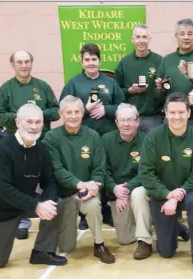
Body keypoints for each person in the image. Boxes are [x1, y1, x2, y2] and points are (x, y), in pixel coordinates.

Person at [0, 104, 67, 268]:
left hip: (24, 202)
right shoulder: (2, 150)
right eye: (29, 122)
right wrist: (36, 205)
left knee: (57, 204)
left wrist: (48, 202)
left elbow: (50, 181)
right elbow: (5, 190)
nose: (34, 127)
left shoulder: (41, 148)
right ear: (18, 122)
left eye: (38, 122)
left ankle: (43, 252)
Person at [103, 103, 189, 260]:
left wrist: (128, 188)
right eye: (122, 120)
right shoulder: (106, 140)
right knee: (125, 239)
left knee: (137, 194)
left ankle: (145, 242)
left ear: (138, 121)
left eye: (130, 119)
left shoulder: (148, 140)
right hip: (117, 193)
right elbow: (104, 170)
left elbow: (147, 172)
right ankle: (174, 227)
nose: (126, 124)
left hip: (142, 188)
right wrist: (115, 189)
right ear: (116, 122)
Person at [0, 50, 60, 240]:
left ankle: (48, 212)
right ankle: (22, 220)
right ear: (13, 65)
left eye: (27, 61)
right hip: (17, 144)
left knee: (48, 179)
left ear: (32, 63)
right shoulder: (5, 89)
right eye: (19, 62)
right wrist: (21, 117)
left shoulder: (42, 86)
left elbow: (55, 111)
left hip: (42, 140)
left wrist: (37, 115)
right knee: (20, 181)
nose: (24, 65)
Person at [139, 93, 193, 272]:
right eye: (173, 112)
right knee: (166, 251)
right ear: (166, 113)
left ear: (188, 113)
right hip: (163, 191)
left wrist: (177, 197)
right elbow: (146, 173)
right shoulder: (153, 137)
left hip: (189, 190)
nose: (177, 117)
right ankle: (177, 228)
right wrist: (167, 194)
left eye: (181, 112)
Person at [155, 18, 193, 227]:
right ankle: (175, 210)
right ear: (176, 36)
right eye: (182, 33)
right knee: (169, 164)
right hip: (171, 119)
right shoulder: (167, 60)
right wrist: (160, 87)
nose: (186, 37)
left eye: (190, 33)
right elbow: (161, 91)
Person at [43, 95, 115, 264]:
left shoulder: (93, 136)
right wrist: (80, 184)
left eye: (77, 111)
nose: (73, 116)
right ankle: (65, 233)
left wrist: (95, 185)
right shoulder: (51, 138)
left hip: (87, 193)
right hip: (65, 194)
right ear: (61, 114)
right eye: (69, 112)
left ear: (83, 113)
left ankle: (99, 245)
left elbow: (100, 167)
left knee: (94, 205)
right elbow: (57, 170)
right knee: (67, 247)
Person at [60, 43, 124, 229]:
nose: (91, 63)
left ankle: (105, 210)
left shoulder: (110, 83)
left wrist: (107, 109)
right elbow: (63, 109)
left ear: (99, 60)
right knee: (85, 172)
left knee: (105, 171)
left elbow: (122, 107)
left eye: (94, 59)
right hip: (83, 137)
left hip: (107, 135)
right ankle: (84, 214)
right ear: (82, 62)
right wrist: (85, 110)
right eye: (87, 60)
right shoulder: (74, 83)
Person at [114, 25, 164, 133]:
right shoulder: (124, 63)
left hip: (153, 118)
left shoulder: (159, 61)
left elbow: (166, 89)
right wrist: (129, 91)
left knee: (154, 149)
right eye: (138, 37)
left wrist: (160, 88)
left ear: (149, 39)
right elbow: (116, 91)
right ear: (133, 39)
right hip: (129, 119)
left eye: (144, 37)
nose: (141, 41)